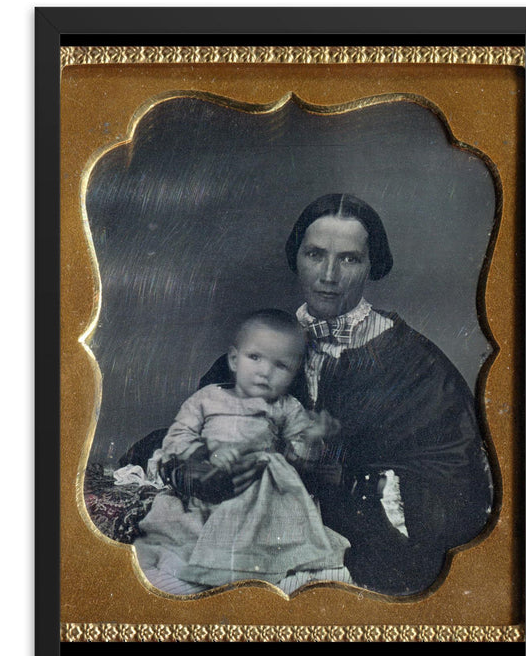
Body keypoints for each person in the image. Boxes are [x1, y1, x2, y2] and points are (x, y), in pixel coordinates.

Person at [199, 193, 493, 595]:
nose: (329, 275)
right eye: (316, 255)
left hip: (371, 560)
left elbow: (459, 488)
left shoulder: (419, 367)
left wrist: (358, 485)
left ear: (373, 266)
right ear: (297, 258)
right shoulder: (261, 348)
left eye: (350, 259)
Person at [134, 309, 351, 595]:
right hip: (208, 487)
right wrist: (204, 452)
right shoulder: (208, 397)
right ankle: (199, 580)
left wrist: (312, 437)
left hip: (262, 496)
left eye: (280, 366)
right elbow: (178, 437)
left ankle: (269, 581)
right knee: (179, 552)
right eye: (255, 358)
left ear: (292, 374)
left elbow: (304, 451)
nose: (265, 371)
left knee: (290, 553)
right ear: (235, 360)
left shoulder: (286, 407)